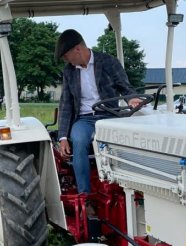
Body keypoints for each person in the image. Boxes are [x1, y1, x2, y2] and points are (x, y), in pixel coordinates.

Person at [55, 29, 141, 195]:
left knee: (129, 141)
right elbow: (66, 103)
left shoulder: (108, 62)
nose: (66, 60)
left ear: (77, 49)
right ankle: (85, 195)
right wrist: (63, 136)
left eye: (66, 56)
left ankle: (129, 190)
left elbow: (125, 86)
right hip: (84, 119)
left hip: (110, 116)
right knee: (79, 141)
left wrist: (131, 99)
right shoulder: (69, 72)